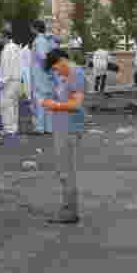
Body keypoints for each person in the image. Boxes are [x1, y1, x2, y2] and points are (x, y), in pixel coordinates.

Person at [40, 48, 86, 224]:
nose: (56, 73)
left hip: (69, 127)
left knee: (66, 171)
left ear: (61, 61)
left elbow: (76, 103)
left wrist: (54, 105)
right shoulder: (66, 75)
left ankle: (69, 211)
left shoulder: (76, 74)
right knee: (62, 169)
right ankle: (68, 209)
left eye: (55, 69)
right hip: (62, 126)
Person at [30, 21, 58, 135]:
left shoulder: (39, 41)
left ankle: (40, 127)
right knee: (48, 99)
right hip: (46, 74)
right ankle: (48, 127)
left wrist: (46, 70)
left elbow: (42, 57)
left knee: (40, 100)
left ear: (35, 28)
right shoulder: (47, 40)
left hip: (40, 74)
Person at [0, 29, 24, 143]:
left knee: (6, 105)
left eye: (0, 37)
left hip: (9, 81)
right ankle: (13, 127)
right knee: (14, 105)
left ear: (5, 37)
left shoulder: (7, 49)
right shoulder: (16, 48)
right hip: (17, 79)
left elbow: (5, 66)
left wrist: (2, 81)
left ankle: (8, 128)